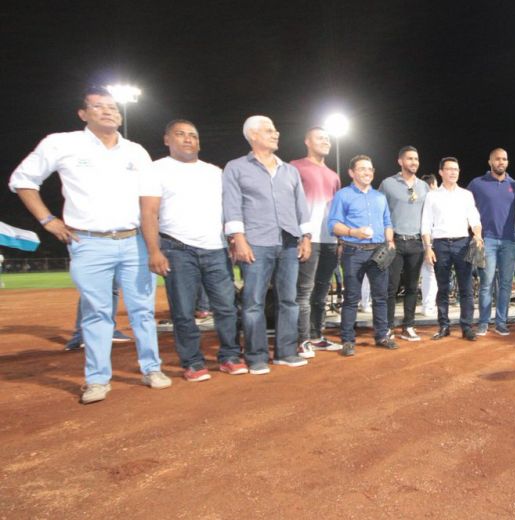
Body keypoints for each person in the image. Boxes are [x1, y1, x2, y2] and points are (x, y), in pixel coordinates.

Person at [9, 86, 169, 403]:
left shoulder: (135, 151)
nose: (108, 111)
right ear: (83, 114)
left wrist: (153, 247)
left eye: (112, 106)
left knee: (143, 312)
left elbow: (149, 203)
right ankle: (97, 379)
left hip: (133, 241)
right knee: (97, 314)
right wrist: (46, 220)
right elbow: (22, 180)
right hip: (89, 242)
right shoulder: (62, 143)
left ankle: (152, 368)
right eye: (98, 106)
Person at [140, 119, 246, 382]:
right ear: (167, 140)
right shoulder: (155, 169)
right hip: (177, 247)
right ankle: (192, 362)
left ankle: (230, 356)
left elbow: (228, 209)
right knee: (184, 310)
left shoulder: (214, 172)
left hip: (215, 248)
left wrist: (232, 239)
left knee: (227, 308)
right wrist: (154, 251)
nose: (188, 139)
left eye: (193, 135)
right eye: (181, 134)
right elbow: (149, 212)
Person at [222, 115, 313, 375]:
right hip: (255, 242)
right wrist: (238, 238)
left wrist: (305, 237)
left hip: (288, 241)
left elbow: (301, 207)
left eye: (275, 130)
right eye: (269, 130)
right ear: (252, 135)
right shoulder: (236, 167)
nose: (276, 134)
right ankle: (256, 355)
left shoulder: (289, 170)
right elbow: (231, 204)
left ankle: (286, 352)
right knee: (253, 302)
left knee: (289, 300)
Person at [327, 154, 397, 356]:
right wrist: (352, 232)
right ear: (352, 172)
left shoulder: (379, 197)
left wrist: (390, 241)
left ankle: (382, 335)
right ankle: (348, 340)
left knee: (381, 296)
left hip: (378, 252)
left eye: (370, 169)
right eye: (362, 169)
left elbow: (387, 223)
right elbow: (333, 224)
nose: (367, 172)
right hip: (353, 251)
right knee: (351, 297)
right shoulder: (343, 195)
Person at [291, 126, 342, 355]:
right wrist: (302, 236)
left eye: (328, 138)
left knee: (321, 292)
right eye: (320, 137)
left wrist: (340, 240)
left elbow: (337, 211)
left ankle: (317, 335)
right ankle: (302, 340)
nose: (326, 141)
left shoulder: (334, 175)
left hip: (329, 240)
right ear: (307, 141)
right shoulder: (295, 167)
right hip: (307, 239)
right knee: (304, 292)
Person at [421, 157, 483, 341]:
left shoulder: (466, 195)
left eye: (456, 169)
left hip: (463, 243)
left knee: (466, 288)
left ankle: (467, 326)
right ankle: (444, 326)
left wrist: (477, 235)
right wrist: (428, 248)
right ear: (441, 172)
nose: (453, 172)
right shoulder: (432, 196)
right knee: (443, 288)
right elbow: (425, 224)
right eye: (449, 169)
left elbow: (475, 219)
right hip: (440, 245)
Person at [467, 148, 515, 336]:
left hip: (509, 240)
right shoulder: (477, 184)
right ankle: (483, 322)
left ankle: (501, 322)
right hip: (487, 240)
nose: (501, 162)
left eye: (504, 159)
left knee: (506, 284)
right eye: (497, 159)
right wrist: (474, 235)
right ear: (490, 161)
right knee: (486, 283)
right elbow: (466, 209)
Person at [379, 146, 430, 341]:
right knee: (390, 288)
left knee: (411, 287)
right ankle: (388, 326)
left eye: (416, 159)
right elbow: (380, 212)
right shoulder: (388, 184)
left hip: (416, 243)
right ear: (400, 161)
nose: (414, 162)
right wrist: (386, 239)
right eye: (410, 159)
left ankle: (408, 326)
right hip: (395, 242)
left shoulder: (423, 186)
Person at [419, 174, 439, 316]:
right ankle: (428, 306)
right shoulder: (433, 197)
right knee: (430, 274)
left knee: (422, 274)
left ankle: (427, 305)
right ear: (432, 185)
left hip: (415, 239)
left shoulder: (419, 198)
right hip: (429, 240)